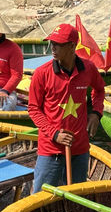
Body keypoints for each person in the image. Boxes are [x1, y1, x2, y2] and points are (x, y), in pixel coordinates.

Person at [28, 22, 105, 192]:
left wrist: (96, 114)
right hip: (50, 148)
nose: (52, 49)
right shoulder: (42, 73)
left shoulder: (88, 68)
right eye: (51, 44)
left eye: (58, 45)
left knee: (78, 196)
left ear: (72, 46)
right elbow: (33, 109)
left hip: (79, 147)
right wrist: (55, 134)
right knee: (40, 197)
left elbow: (99, 90)